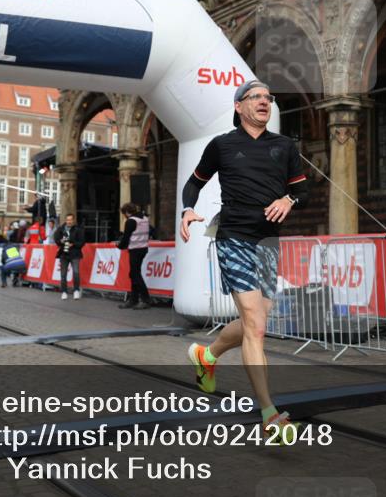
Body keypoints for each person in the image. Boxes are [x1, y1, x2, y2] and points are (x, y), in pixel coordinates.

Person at [180, 79, 309, 442]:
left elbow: (302, 190)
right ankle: (269, 414)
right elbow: (194, 183)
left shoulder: (284, 146)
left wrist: (289, 201)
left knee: (257, 319)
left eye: (268, 97)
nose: (264, 102)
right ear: (239, 106)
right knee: (255, 325)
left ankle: (207, 355)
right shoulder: (222, 145)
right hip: (233, 236)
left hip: (268, 241)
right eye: (256, 97)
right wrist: (188, 210)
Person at [117, 202, 152, 309]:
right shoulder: (145, 218)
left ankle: (145, 299)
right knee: (133, 273)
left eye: (124, 213)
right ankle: (133, 299)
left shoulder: (131, 221)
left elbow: (125, 238)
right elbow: (152, 230)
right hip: (143, 248)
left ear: (127, 212)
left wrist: (119, 245)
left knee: (135, 274)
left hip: (135, 249)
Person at [53, 213, 85, 300]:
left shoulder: (78, 229)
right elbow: (56, 239)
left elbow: (82, 242)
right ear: (65, 220)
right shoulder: (61, 229)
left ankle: (76, 290)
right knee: (63, 274)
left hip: (75, 254)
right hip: (64, 254)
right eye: (67, 220)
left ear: (73, 220)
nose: (69, 221)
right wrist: (60, 241)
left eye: (70, 220)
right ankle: (64, 291)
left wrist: (73, 244)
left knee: (76, 272)